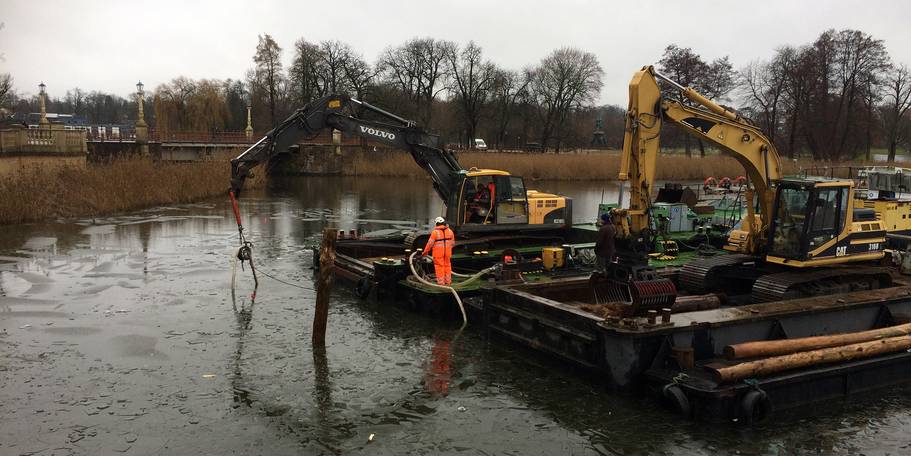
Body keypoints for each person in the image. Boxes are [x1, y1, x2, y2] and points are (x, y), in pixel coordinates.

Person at [423, 216, 455, 285]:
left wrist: (425, 252)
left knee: (439, 267)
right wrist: (448, 249)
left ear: (436, 223)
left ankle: (441, 283)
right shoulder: (450, 231)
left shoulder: (435, 232)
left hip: (438, 254)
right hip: (448, 253)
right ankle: (448, 281)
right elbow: (452, 243)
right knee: (448, 266)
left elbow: (429, 244)